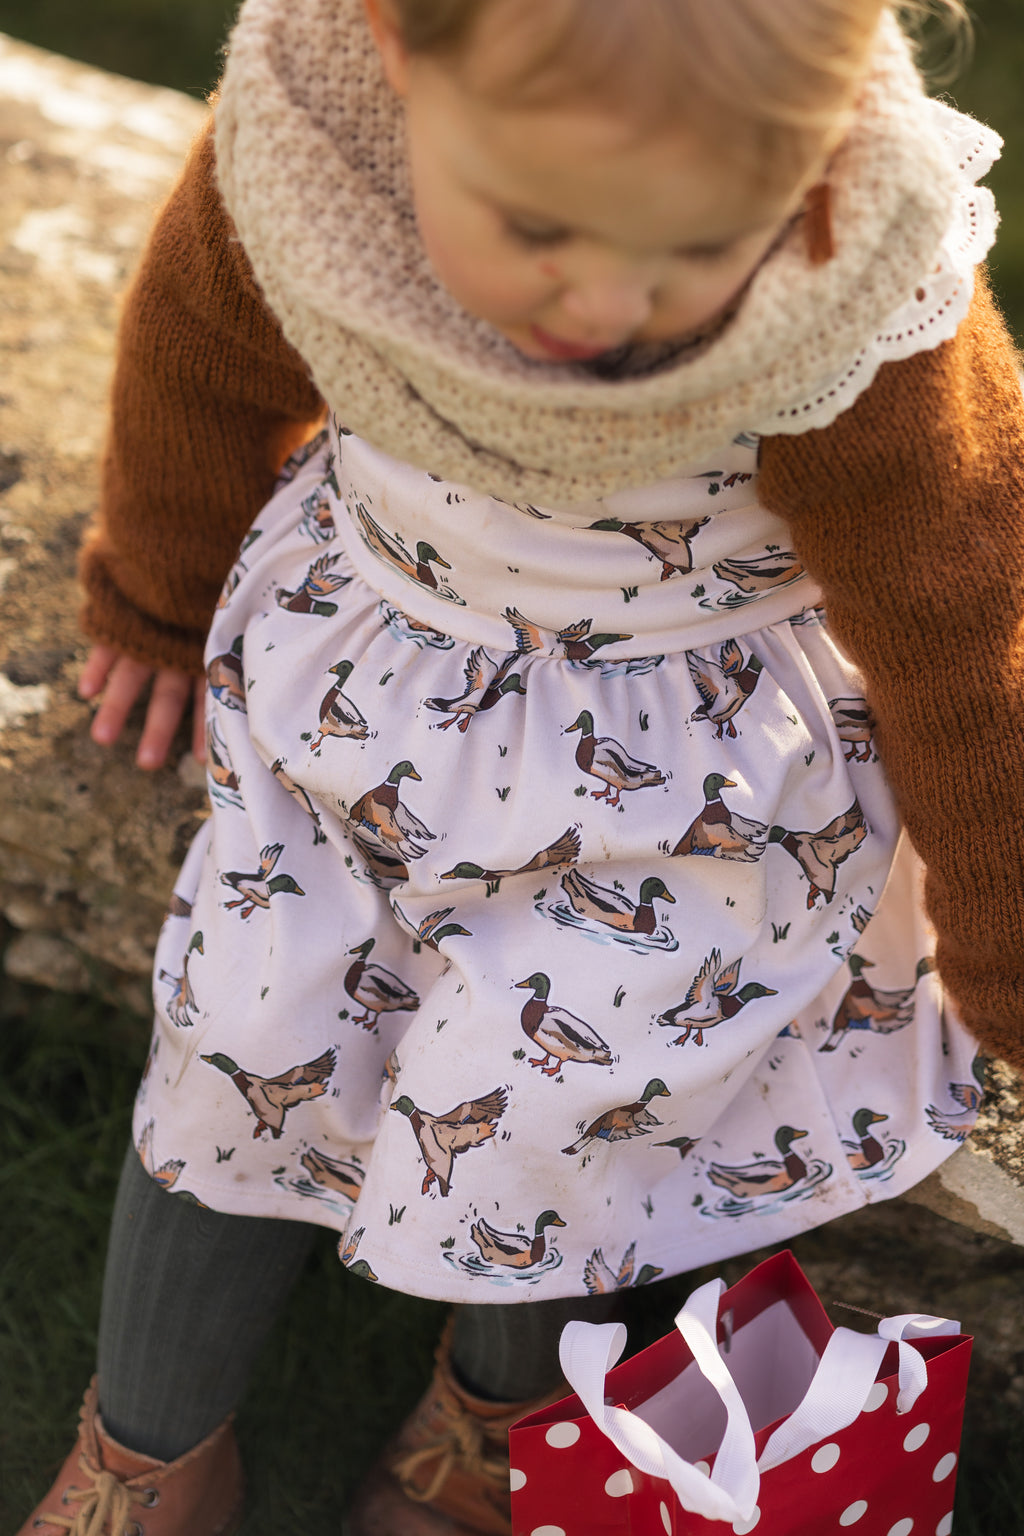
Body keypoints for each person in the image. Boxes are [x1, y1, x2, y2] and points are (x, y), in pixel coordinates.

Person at [20, 0, 1024, 1532]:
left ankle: (494, 1417)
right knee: (236, 1030)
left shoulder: (850, 286)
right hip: (373, 702)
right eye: (541, 228)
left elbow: (960, 614)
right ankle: (150, 1453)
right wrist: (154, 596)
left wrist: (1007, 947)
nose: (608, 305)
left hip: (680, 791)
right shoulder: (318, 160)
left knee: (571, 1097)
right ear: (399, 53)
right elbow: (199, 366)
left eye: (695, 249)